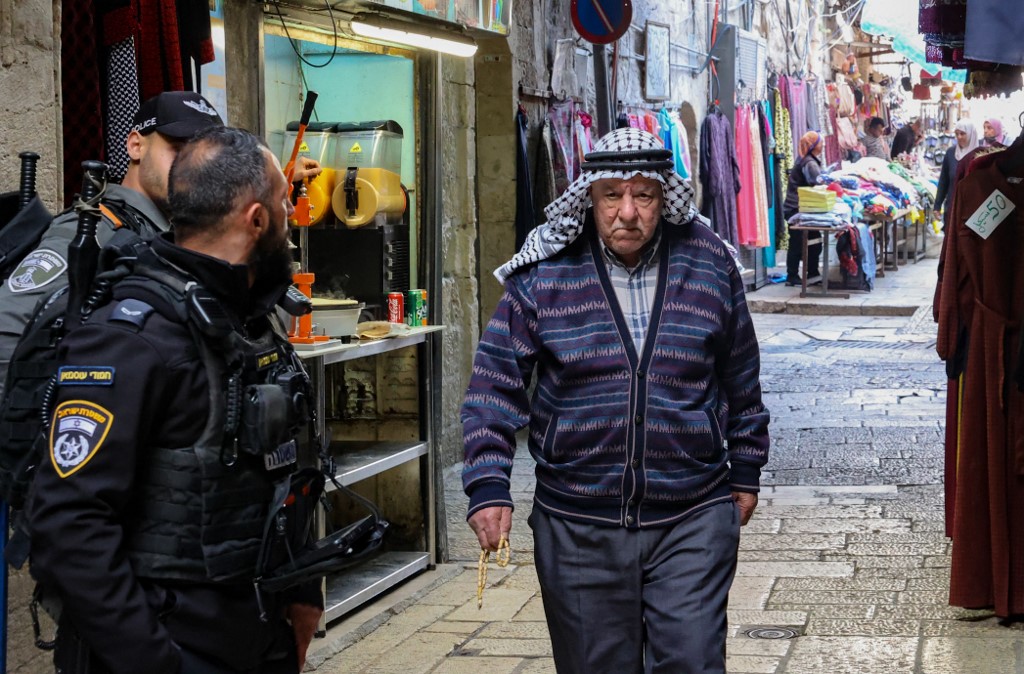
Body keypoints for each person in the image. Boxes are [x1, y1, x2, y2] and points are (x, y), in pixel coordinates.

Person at [461, 127, 770, 674]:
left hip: (691, 514)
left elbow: (741, 378)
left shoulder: (710, 264)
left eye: (644, 196)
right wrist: (489, 486)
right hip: (577, 523)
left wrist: (745, 470)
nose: (627, 212)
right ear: (589, 197)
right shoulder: (545, 275)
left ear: (663, 198)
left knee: (694, 662)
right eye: (611, 196)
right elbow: (493, 385)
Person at [25, 127, 323, 674]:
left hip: (252, 631)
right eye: (284, 203)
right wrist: (157, 662)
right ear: (256, 219)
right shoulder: (132, 338)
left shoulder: (247, 321)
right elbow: (69, 525)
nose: (290, 217)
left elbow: (281, 472)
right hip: (163, 646)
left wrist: (303, 591)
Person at [0, 91, 223, 399]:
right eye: (179, 150)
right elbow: (6, 328)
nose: (192, 171)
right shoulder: (93, 230)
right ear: (135, 145)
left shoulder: (169, 236)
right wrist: (38, 434)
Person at [784, 131, 825, 286]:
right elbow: (817, 182)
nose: (822, 146)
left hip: (802, 207)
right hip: (797, 208)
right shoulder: (809, 163)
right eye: (820, 143)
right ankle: (792, 275)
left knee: (813, 240)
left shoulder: (807, 159)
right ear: (813, 146)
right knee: (798, 242)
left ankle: (812, 272)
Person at [935, 119, 980, 230]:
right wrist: (937, 205)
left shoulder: (980, 156)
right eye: (957, 134)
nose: (959, 137)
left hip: (972, 212)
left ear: (971, 134)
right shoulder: (951, 153)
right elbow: (944, 181)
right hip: (951, 209)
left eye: (962, 133)